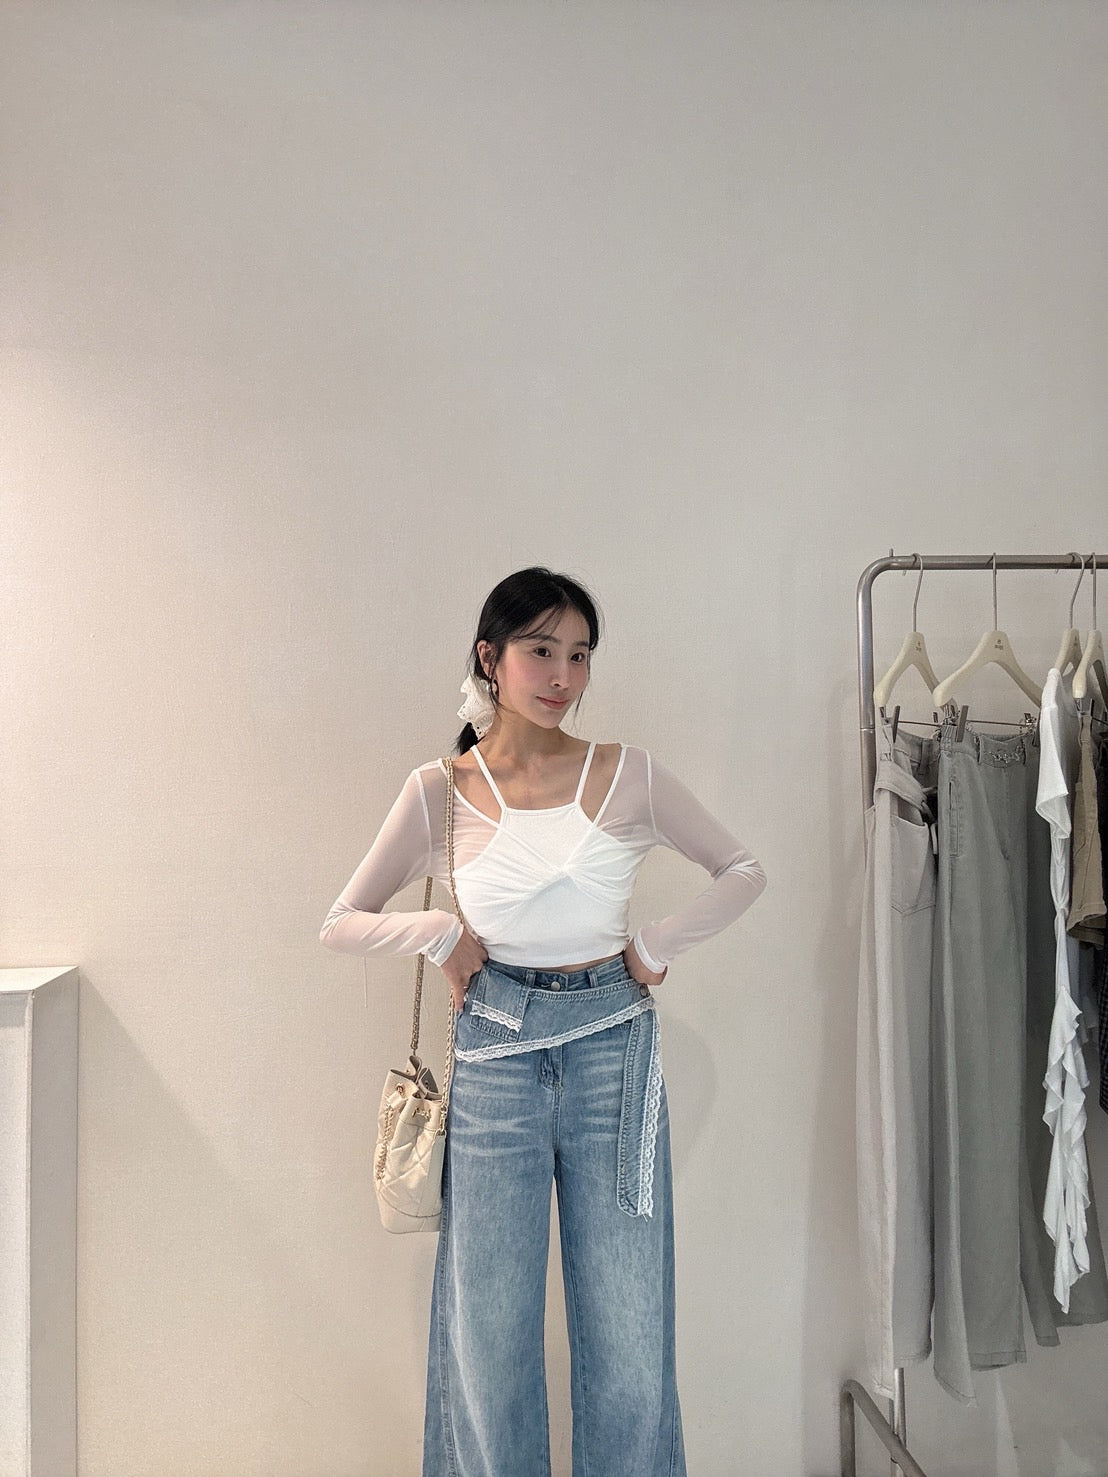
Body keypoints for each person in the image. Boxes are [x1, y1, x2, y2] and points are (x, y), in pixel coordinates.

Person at [320, 565, 767, 1477]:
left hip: (615, 1056)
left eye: (580, 654)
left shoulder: (628, 773)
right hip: (494, 1060)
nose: (563, 675)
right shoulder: (438, 789)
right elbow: (341, 919)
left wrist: (656, 945)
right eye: (541, 650)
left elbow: (743, 870)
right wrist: (438, 932)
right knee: (487, 1339)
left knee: (631, 1336)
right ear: (490, 658)